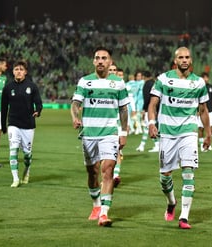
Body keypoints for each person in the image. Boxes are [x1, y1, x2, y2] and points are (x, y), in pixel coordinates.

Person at [148, 47, 211, 229]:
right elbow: (153, 103)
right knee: (165, 176)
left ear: (191, 60)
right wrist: (152, 123)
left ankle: (184, 217)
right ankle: (171, 202)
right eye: (181, 57)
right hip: (167, 132)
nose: (184, 60)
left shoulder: (198, 83)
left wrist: (207, 134)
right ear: (175, 60)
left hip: (189, 132)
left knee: (188, 171)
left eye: (187, 57)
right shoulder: (163, 79)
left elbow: (203, 110)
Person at [71, 47, 129, 227]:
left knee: (108, 170)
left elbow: (123, 109)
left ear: (110, 62)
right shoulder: (85, 81)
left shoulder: (118, 83)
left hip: (109, 133)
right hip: (89, 134)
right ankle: (96, 204)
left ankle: (104, 213)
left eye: (104, 58)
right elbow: (75, 103)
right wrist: (75, 117)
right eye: (98, 58)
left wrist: (124, 133)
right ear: (94, 62)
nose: (101, 61)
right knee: (92, 172)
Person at [1, 61, 43, 187]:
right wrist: (3, 125)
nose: (18, 71)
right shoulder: (8, 87)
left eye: (21, 69)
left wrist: (38, 111)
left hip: (28, 124)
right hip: (13, 123)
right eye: (16, 69)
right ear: (13, 72)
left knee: (27, 154)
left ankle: (27, 171)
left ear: (25, 72)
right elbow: (3, 108)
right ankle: (15, 178)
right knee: (13, 150)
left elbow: (38, 103)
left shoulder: (32, 86)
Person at [136, 71, 159, 152]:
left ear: (143, 77)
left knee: (149, 126)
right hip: (156, 108)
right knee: (147, 127)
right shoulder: (154, 83)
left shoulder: (147, 85)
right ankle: (142, 145)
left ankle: (157, 144)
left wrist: (144, 109)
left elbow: (147, 98)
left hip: (149, 110)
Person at [198, 72, 212, 151]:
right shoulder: (198, 87)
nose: (206, 79)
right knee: (201, 128)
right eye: (204, 77)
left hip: (210, 110)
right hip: (200, 110)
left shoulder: (211, 87)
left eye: (207, 77)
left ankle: (207, 141)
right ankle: (202, 144)